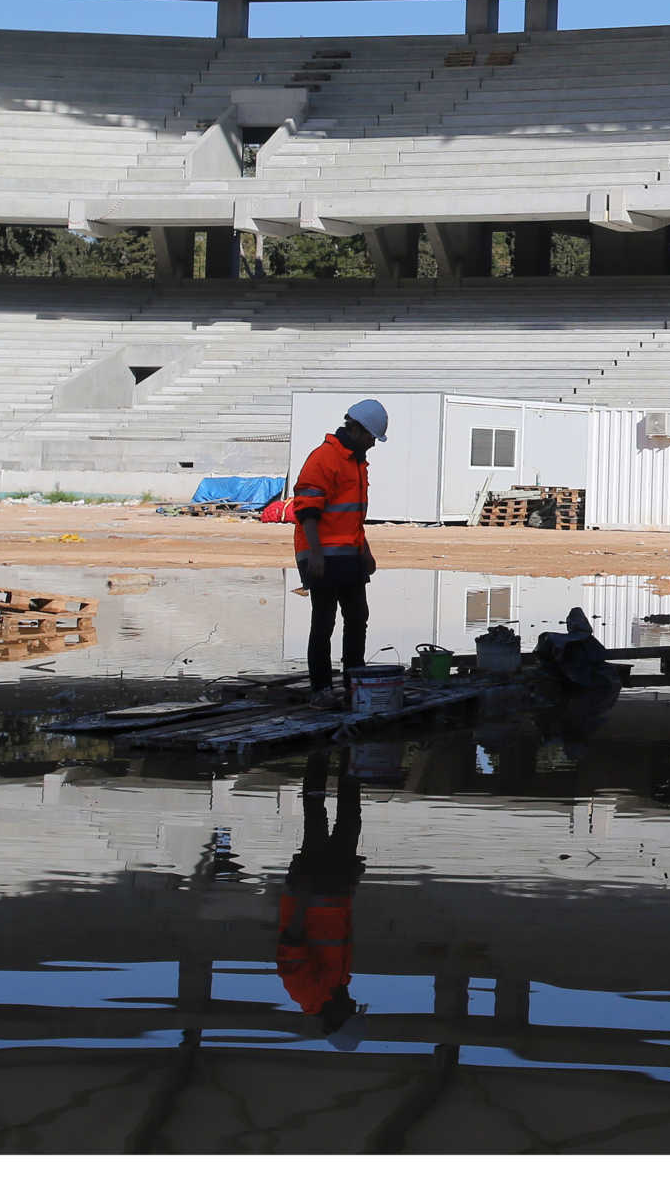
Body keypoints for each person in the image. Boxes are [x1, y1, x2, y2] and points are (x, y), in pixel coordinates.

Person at [293, 397, 387, 702]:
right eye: (372, 437)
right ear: (358, 431)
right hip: (322, 554)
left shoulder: (357, 463)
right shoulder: (324, 459)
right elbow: (306, 511)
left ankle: (353, 683)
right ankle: (321, 689)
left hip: (348, 553)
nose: (373, 444)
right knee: (324, 621)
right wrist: (316, 555)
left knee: (358, 616)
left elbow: (352, 517)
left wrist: (365, 551)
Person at [277, 747, 366, 1045]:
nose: (353, 1004)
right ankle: (350, 755)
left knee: (316, 816)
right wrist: (351, 886)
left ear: (336, 1019)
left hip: (311, 888)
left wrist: (303, 894)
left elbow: (291, 941)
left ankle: (319, 754)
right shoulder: (340, 983)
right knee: (351, 819)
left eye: (351, 1011)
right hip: (336, 887)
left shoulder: (305, 992)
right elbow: (341, 929)